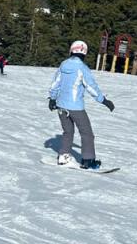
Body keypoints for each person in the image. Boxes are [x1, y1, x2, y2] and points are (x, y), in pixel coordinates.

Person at [47, 40, 115, 170]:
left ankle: (63, 156)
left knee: (68, 132)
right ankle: (88, 161)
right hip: (75, 107)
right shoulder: (82, 68)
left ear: (71, 50)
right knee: (87, 133)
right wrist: (104, 101)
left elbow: (55, 83)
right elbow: (91, 87)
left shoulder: (63, 65)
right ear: (84, 53)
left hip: (61, 106)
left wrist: (52, 98)